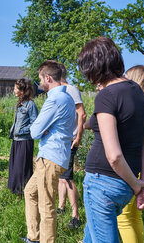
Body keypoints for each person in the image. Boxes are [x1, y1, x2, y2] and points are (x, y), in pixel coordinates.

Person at [78, 36, 144, 243]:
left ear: (94, 67)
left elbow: (114, 156)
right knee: (90, 236)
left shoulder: (106, 96)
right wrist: (142, 182)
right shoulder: (139, 92)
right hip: (124, 187)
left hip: (101, 184)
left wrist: (137, 185)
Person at [22, 60, 75, 243]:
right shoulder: (67, 97)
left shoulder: (54, 99)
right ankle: (34, 236)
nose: (39, 84)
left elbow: (35, 131)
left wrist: (42, 128)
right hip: (54, 156)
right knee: (30, 191)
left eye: (40, 79)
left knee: (46, 207)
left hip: (50, 158)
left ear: (48, 78)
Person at [117, 65, 144, 243]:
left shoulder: (135, 104)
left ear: (136, 80)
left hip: (128, 165)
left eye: (127, 77)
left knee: (124, 219)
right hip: (140, 165)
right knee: (134, 216)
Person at [57, 65, 87, 229]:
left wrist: (79, 136)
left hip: (70, 139)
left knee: (68, 177)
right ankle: (61, 207)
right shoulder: (60, 91)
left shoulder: (71, 89)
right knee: (62, 177)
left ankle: (76, 216)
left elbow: (81, 113)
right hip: (61, 140)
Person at [8, 79, 38, 195]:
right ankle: (14, 190)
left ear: (22, 90)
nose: (14, 90)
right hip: (16, 140)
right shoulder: (20, 103)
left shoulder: (30, 105)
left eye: (16, 88)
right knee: (15, 166)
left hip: (25, 140)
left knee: (22, 168)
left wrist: (21, 131)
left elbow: (35, 123)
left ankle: (23, 191)